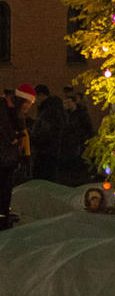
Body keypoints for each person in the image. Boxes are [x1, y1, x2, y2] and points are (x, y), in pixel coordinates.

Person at [1, 84, 35, 230]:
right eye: (28, 103)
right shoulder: (4, 108)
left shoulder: (14, 113)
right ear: (22, 101)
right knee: (3, 187)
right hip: (4, 157)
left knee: (6, 187)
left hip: (8, 158)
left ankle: (3, 214)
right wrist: (12, 139)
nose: (28, 107)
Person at [30, 85, 65, 181]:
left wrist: (32, 138)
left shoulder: (49, 111)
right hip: (50, 151)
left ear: (41, 95)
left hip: (45, 153)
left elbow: (46, 132)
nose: (34, 100)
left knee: (43, 180)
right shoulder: (50, 109)